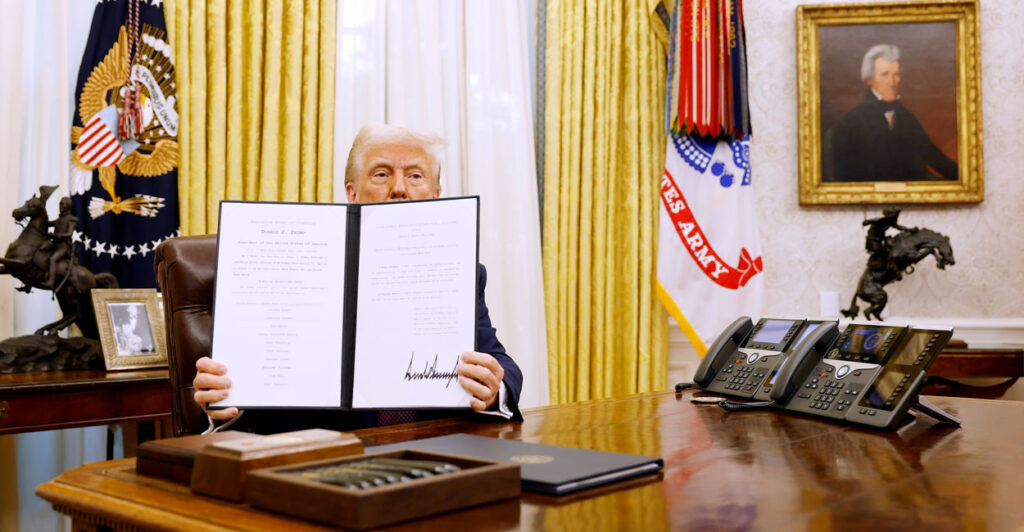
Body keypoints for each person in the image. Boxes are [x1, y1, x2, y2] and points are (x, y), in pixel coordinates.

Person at [192, 124, 523, 433]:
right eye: (381, 174)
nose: (398, 189)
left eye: (415, 176)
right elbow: (247, 384)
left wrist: (496, 389)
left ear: (435, 194)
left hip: (431, 457)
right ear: (352, 193)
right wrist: (223, 398)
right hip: (318, 462)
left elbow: (503, 365)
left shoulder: (461, 274)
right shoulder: (285, 268)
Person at [826, 44, 958, 182]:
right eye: (885, 74)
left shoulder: (907, 118)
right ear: (869, 80)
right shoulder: (849, 123)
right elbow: (845, 178)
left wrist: (967, 178)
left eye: (896, 74)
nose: (892, 82)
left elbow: (934, 157)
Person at [43, 197, 77, 289]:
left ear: (68, 206)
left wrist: (56, 235)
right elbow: (48, 223)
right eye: (60, 204)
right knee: (38, 251)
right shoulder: (59, 219)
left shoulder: (72, 219)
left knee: (52, 259)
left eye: (62, 204)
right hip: (54, 244)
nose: (60, 206)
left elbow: (69, 233)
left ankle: (51, 281)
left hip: (63, 246)